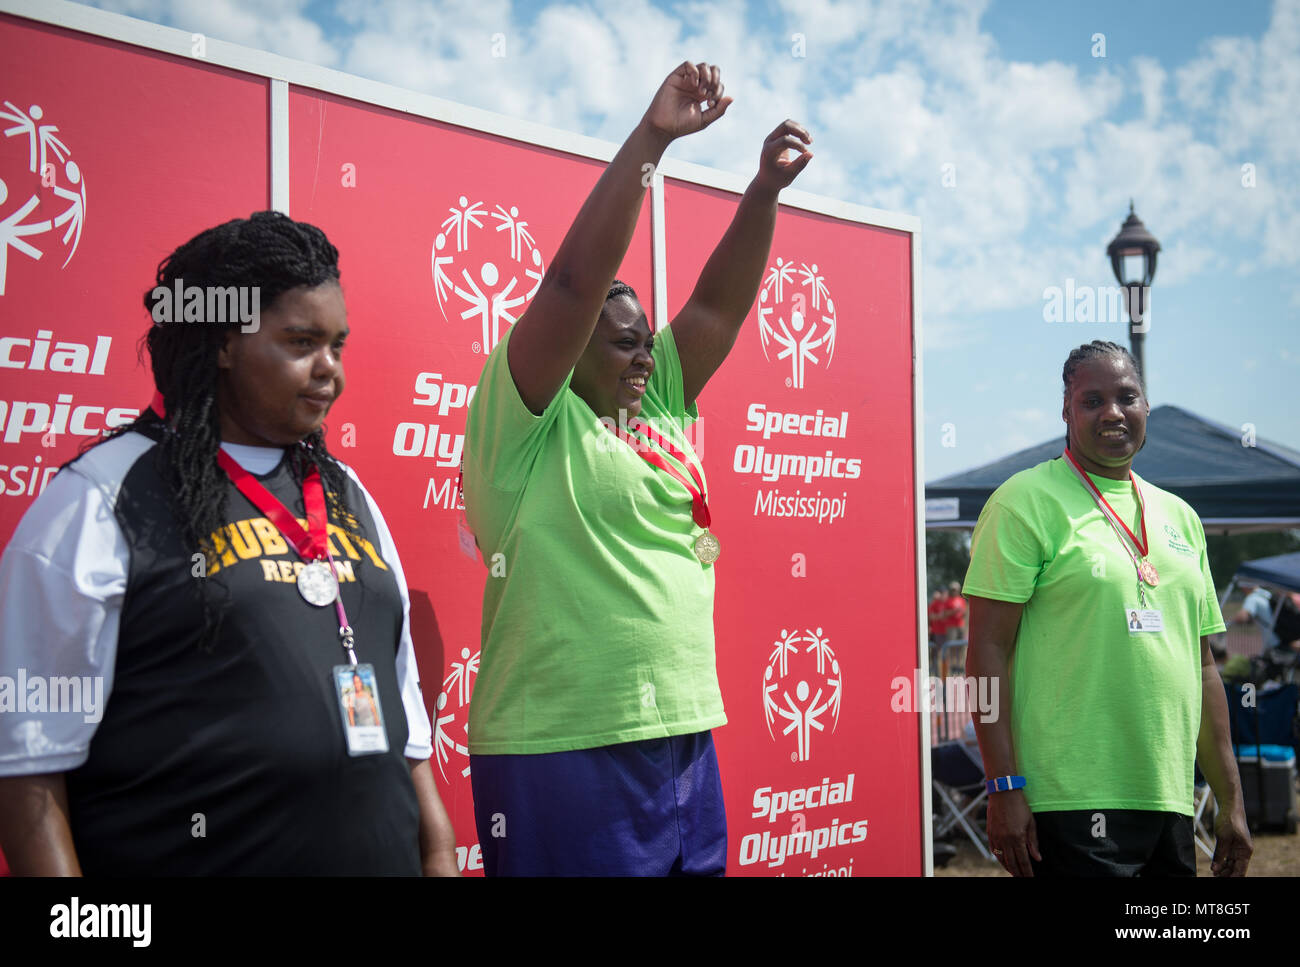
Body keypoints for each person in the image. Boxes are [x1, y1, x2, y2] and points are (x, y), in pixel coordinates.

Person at [0, 212, 458, 875]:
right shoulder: (100, 497)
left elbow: (406, 731)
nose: (330, 371)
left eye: (338, 345)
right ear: (221, 341)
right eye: (301, 342)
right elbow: (26, 773)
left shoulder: (347, 493)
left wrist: (440, 856)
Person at [462, 61, 812, 875]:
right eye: (625, 338)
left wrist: (762, 192)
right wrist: (654, 139)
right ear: (572, 339)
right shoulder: (524, 419)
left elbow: (719, 307)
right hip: (565, 744)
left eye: (648, 338)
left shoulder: (656, 406)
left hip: (682, 737)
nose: (648, 352)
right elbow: (573, 280)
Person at [963, 340, 1251, 877]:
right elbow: (985, 653)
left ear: (1146, 407)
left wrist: (1231, 801)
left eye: (1127, 397)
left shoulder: (1180, 517)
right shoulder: (1023, 502)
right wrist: (1003, 787)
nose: (1112, 412)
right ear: (1066, 412)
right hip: (1066, 802)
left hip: (1167, 799)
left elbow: (1204, 668)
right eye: (1091, 400)